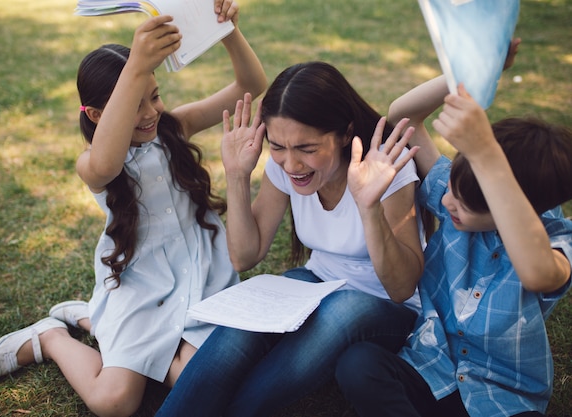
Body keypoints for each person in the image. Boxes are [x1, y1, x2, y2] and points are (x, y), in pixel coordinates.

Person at [0, 1, 267, 416]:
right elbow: (106, 163)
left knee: (201, 378)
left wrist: (228, 31)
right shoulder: (95, 164)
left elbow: (250, 83)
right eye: (135, 104)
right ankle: (53, 338)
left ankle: (94, 321)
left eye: (155, 95)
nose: (150, 112)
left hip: (202, 273)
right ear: (97, 115)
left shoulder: (174, 128)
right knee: (115, 403)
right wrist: (134, 68)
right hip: (141, 285)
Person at [156, 61, 425, 417]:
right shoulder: (283, 168)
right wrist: (237, 175)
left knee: (339, 313)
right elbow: (244, 256)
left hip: (389, 306)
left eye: (307, 148)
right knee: (243, 324)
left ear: (345, 134)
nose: (291, 164)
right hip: (320, 282)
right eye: (278, 146)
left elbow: (402, 287)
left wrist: (369, 206)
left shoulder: (387, 169)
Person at [334, 74, 572, 417]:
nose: (446, 203)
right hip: (431, 370)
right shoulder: (460, 189)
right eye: (450, 191)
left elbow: (538, 275)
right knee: (359, 364)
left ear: (507, 206)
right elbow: (404, 115)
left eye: (463, 204)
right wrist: (472, 68)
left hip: (502, 396)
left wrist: (490, 160)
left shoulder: (554, 242)